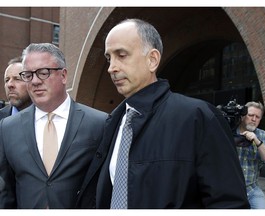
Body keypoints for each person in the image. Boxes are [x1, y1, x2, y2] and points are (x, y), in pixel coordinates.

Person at [76, 18, 250, 209]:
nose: (111, 68)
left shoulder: (199, 117)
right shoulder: (114, 123)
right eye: (109, 58)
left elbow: (229, 203)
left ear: (152, 60)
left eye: (122, 55)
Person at [0, 43, 108, 208]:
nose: (35, 81)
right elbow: (6, 191)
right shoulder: (8, 128)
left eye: (43, 73)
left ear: (63, 75)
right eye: (28, 75)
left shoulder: (99, 123)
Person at [236, 101, 265, 209]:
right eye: (250, 115)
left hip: (252, 189)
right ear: (242, 116)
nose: (254, 119)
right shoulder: (229, 132)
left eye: (257, 117)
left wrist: (257, 141)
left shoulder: (263, 135)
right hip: (231, 188)